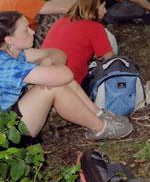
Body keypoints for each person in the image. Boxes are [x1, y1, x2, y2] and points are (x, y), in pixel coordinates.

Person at [0, 11, 133, 141]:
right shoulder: (6, 65)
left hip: (16, 114)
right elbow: (66, 74)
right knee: (55, 86)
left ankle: (99, 114)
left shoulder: (16, 52)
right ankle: (100, 128)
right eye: (26, 30)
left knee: (55, 77)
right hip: (8, 132)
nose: (32, 32)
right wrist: (48, 66)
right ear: (9, 39)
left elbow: (57, 52)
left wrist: (48, 61)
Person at [42, 0, 115, 85]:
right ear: (94, 8)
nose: (105, 11)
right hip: (69, 81)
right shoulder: (95, 28)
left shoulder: (61, 20)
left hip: (43, 75)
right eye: (103, 7)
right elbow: (110, 59)